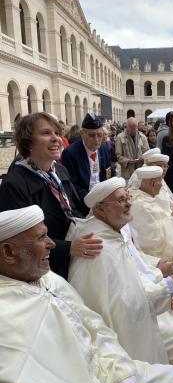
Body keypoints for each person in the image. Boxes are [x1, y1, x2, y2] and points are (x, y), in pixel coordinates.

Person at [0, 205, 173, 383]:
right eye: (42, 237)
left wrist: (124, 378)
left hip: (112, 369)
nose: (52, 243)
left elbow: (96, 327)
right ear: (9, 252)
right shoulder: (6, 314)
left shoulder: (48, 278)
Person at [66, 177, 173, 383]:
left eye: (128, 197)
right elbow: (123, 311)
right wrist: (168, 288)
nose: (128, 203)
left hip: (142, 311)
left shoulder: (111, 232)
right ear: (100, 209)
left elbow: (133, 274)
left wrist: (163, 283)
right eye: (120, 200)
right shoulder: (98, 248)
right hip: (121, 342)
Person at [0, 112, 102, 279]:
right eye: (46, 133)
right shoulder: (14, 184)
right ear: (28, 141)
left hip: (75, 253)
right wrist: (68, 247)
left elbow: (74, 209)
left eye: (57, 133)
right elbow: (20, 243)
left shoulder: (59, 170)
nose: (56, 139)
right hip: (46, 270)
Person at [62, 113, 116, 214]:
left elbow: (109, 171)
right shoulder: (70, 153)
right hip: (84, 203)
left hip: (104, 198)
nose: (96, 140)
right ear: (82, 133)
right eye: (91, 135)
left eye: (99, 135)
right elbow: (72, 185)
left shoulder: (104, 148)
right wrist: (94, 200)